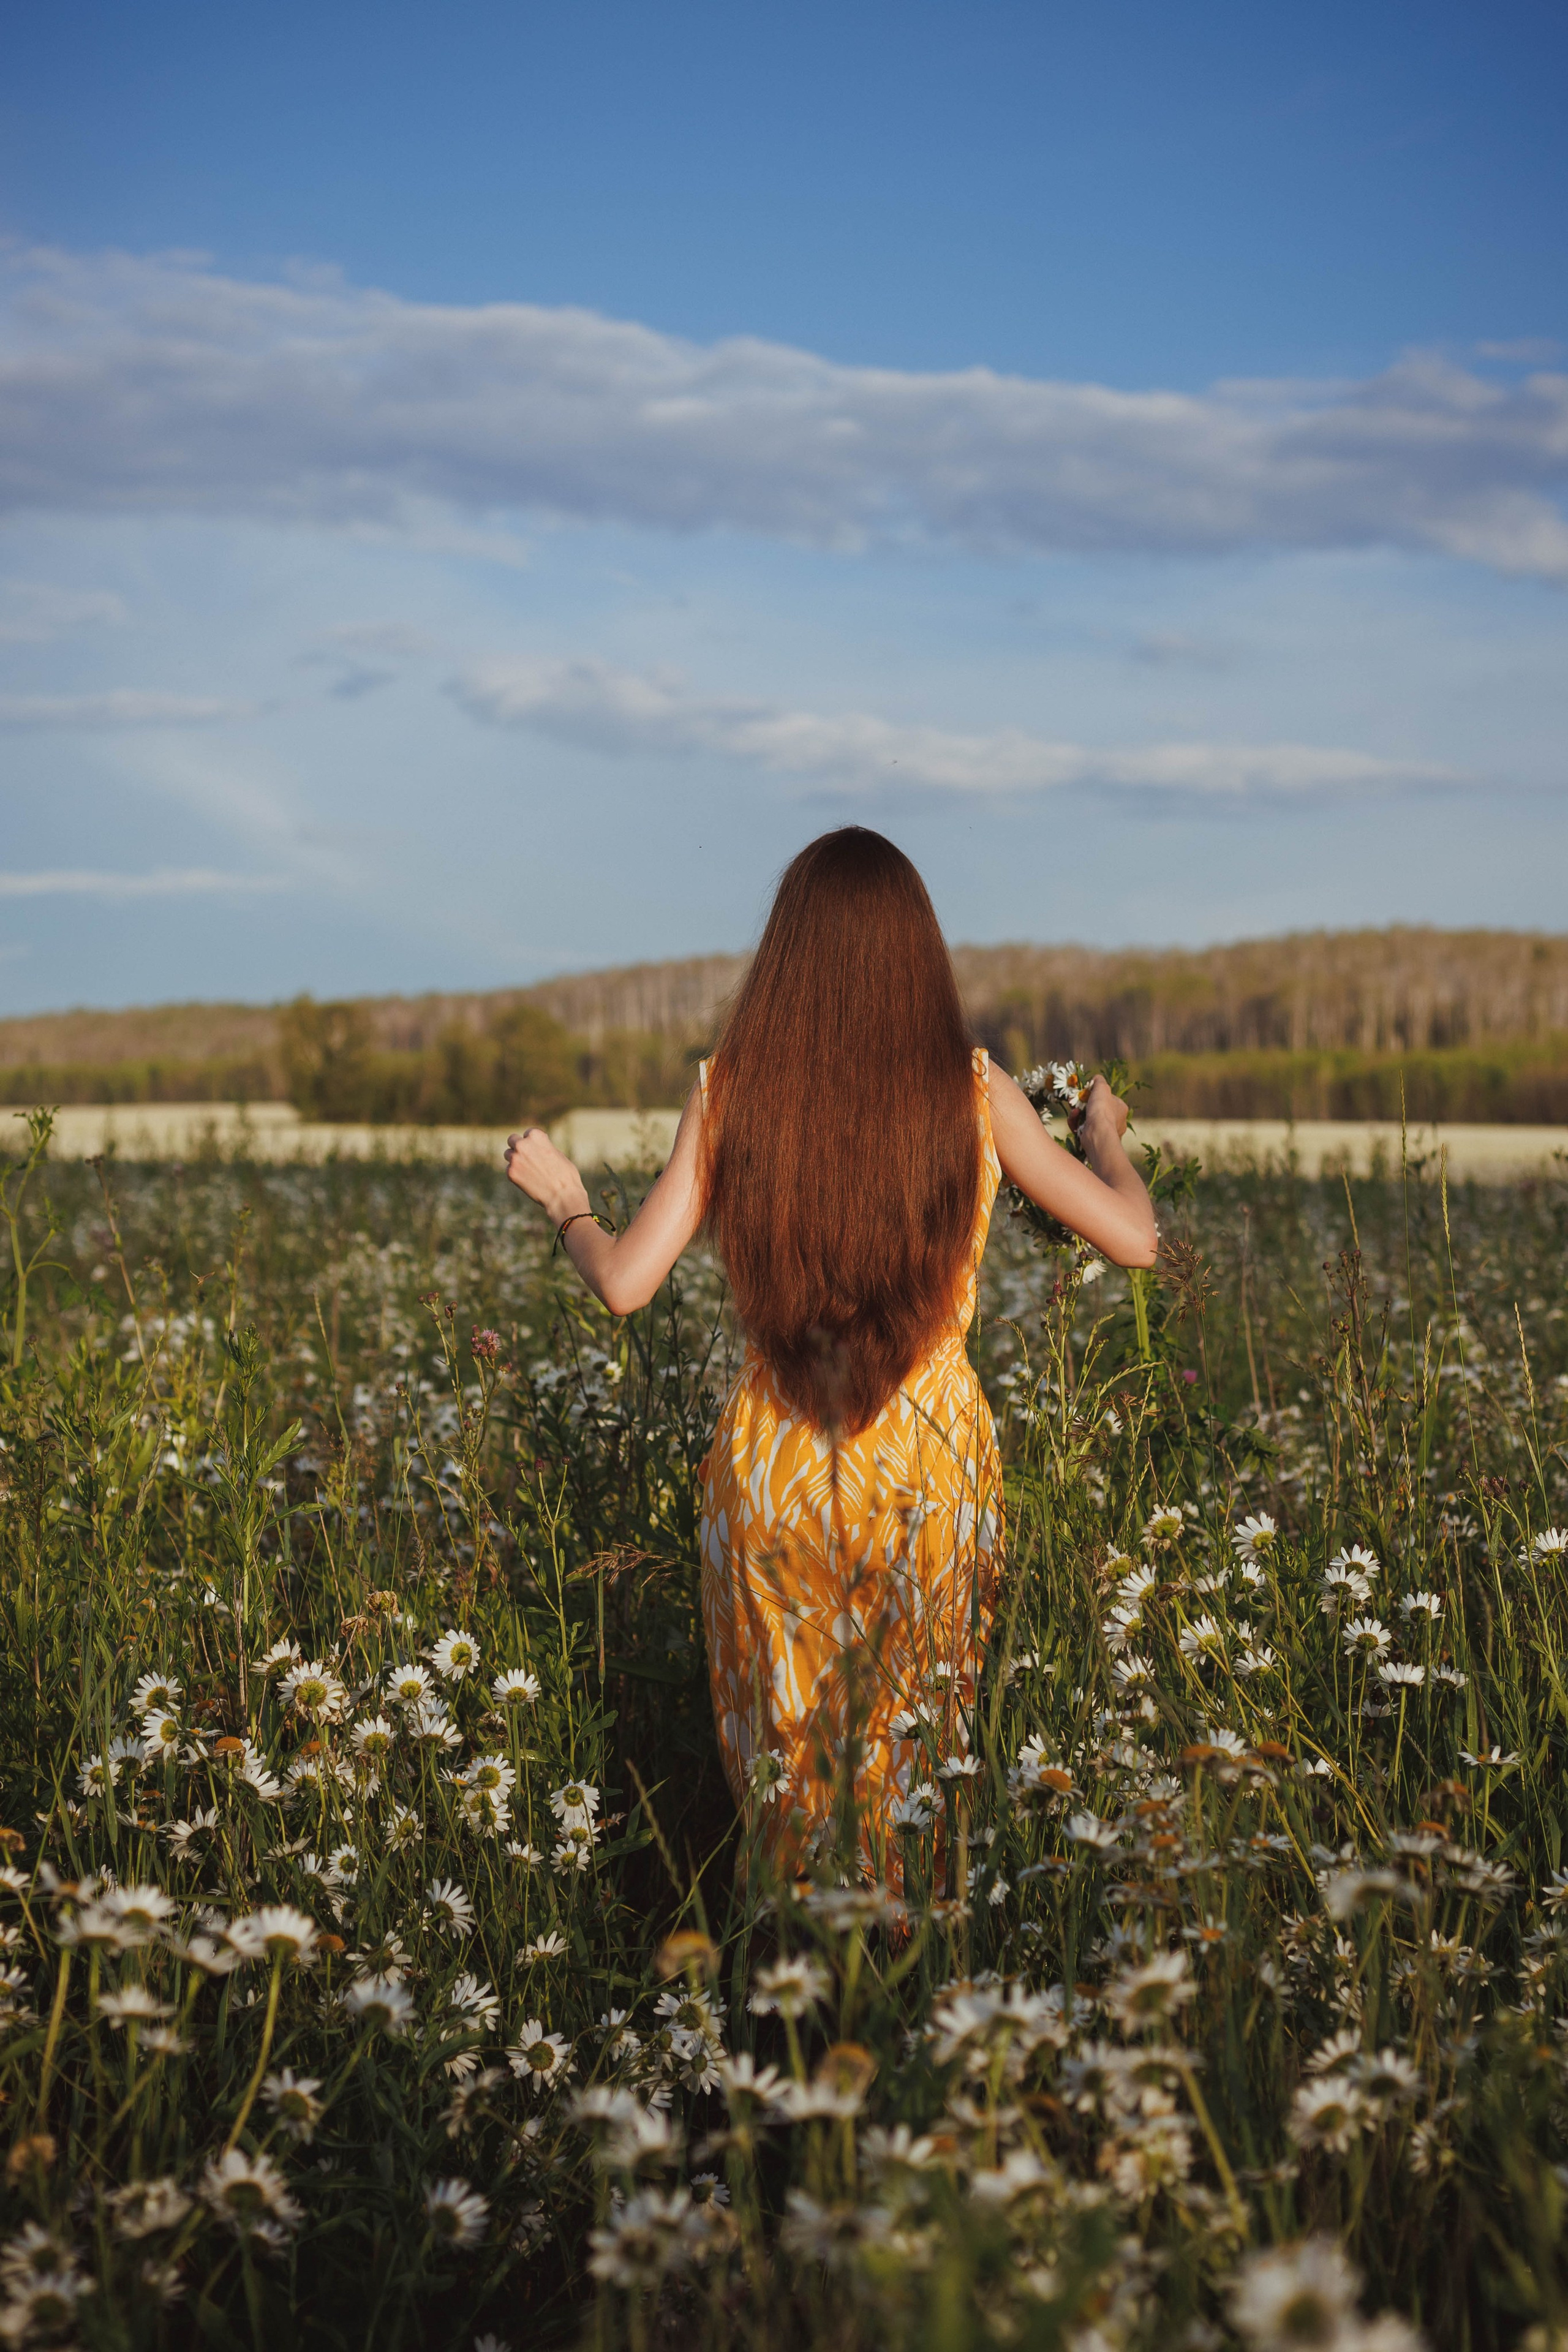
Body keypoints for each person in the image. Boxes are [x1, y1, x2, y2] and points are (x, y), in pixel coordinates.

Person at [504, 827, 1158, 1878]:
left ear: (789, 952)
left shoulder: (733, 1091)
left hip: (776, 1467)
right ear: (917, 957)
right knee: (918, 1770)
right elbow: (1136, 1241)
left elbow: (625, 1284)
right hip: (929, 1466)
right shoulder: (977, 1091)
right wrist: (1104, 1138)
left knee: (788, 1775)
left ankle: (789, 1992)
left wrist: (568, 1203)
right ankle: (909, 1993)